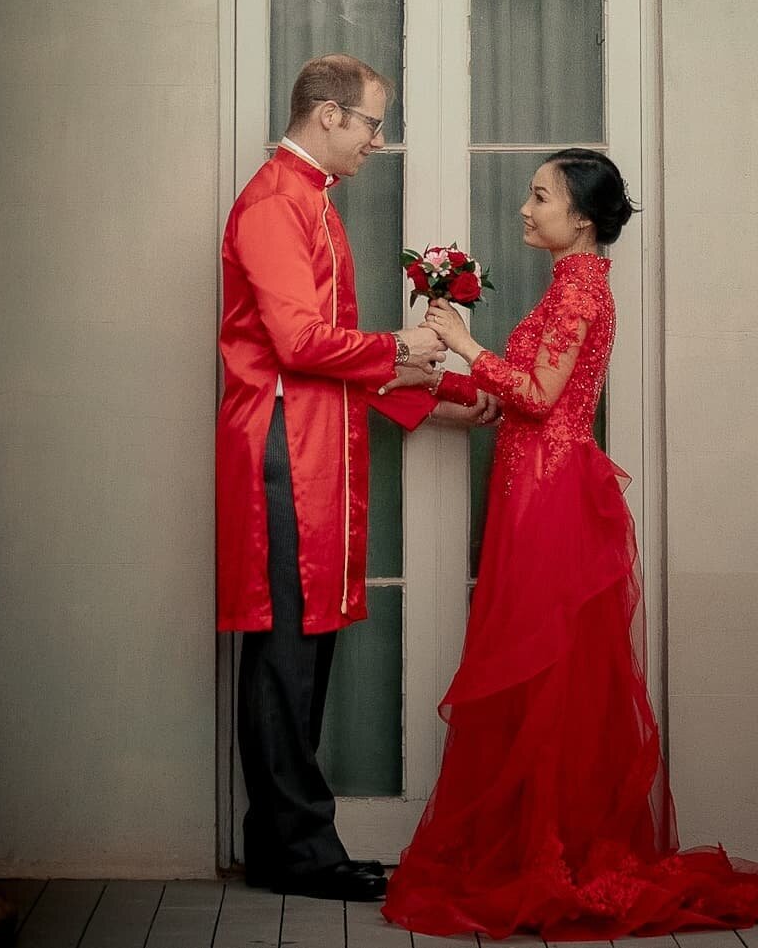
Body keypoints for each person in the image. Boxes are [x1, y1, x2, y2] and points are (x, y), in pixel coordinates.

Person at [383, 147, 758, 939]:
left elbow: (534, 396)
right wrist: (423, 375)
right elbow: (517, 395)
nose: (525, 209)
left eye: (539, 197)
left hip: (549, 494)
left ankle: (548, 854)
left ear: (580, 219)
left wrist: (465, 344)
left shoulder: (579, 291)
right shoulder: (570, 287)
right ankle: (537, 847)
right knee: (541, 679)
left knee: (550, 678)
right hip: (533, 484)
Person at [216, 54, 491, 905]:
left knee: (305, 647)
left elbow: (325, 360)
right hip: (282, 449)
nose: (378, 140)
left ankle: (285, 844)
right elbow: (299, 347)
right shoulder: (273, 203)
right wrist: (401, 349)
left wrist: (430, 390)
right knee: (286, 649)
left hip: (314, 448)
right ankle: (298, 849)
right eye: (373, 122)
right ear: (328, 115)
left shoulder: (310, 204)